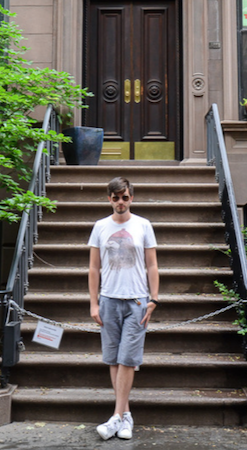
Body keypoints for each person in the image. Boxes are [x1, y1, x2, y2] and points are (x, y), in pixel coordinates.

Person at [88, 176, 159, 441]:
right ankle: (125, 416)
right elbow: (94, 268)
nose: (120, 202)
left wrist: (154, 298)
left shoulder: (143, 225)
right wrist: (94, 302)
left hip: (137, 301)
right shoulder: (100, 227)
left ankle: (115, 417)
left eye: (125, 197)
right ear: (109, 199)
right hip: (108, 300)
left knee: (127, 359)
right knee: (113, 359)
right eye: (116, 197)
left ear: (131, 198)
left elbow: (152, 265)